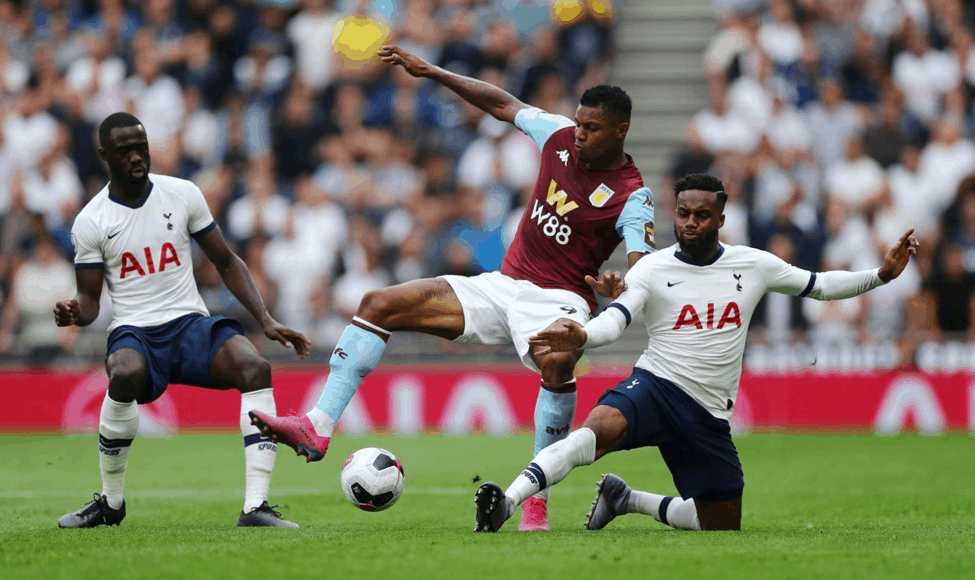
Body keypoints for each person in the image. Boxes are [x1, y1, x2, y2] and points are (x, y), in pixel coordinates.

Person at [249, 44, 655, 531]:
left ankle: (535, 501)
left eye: (591, 128)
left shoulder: (634, 194)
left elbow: (644, 272)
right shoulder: (559, 136)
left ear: (620, 130)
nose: (581, 134)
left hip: (559, 298)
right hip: (502, 284)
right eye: (579, 124)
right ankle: (316, 428)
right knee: (379, 304)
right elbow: (502, 104)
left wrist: (619, 283)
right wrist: (430, 71)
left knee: (557, 360)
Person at [472, 173, 919, 532]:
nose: (690, 223)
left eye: (702, 215)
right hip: (656, 387)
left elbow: (819, 285)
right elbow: (618, 318)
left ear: (721, 218)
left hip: (708, 413)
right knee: (592, 434)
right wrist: (584, 335)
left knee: (721, 523)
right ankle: (507, 504)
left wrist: (880, 275)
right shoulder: (652, 268)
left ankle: (626, 499)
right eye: (683, 213)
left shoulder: (753, 264)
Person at [54, 112, 312, 529]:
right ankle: (111, 503)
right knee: (123, 372)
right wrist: (73, 312)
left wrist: (264, 318)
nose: (137, 157)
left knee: (255, 367)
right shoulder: (91, 221)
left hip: (190, 323)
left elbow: (226, 261)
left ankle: (256, 507)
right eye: (125, 151)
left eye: (141, 147)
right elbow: (89, 304)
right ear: (104, 155)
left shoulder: (183, 193)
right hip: (135, 330)